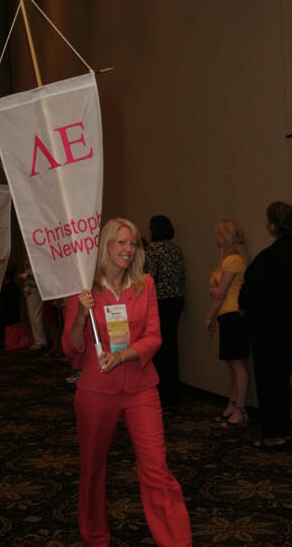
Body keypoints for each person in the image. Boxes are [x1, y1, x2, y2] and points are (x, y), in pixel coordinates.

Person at [62, 218, 192, 547]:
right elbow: (70, 346)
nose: (128, 249)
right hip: (95, 389)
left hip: (141, 386)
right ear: (105, 246)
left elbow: (154, 337)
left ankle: (176, 541)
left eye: (132, 243)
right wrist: (80, 313)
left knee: (156, 469)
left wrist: (123, 355)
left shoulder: (144, 284)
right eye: (121, 242)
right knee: (92, 470)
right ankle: (95, 537)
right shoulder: (83, 288)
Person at [239, 202, 292, 449]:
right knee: (282, 379)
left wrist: (246, 306)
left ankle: (273, 435)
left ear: (272, 225)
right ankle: (283, 430)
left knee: (269, 381)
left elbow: (249, 289)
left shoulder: (269, 256)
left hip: (268, 329)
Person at [206, 220, 250, 427]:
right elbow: (220, 291)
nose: (215, 237)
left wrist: (209, 316)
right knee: (232, 364)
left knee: (237, 365)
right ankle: (233, 404)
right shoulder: (227, 260)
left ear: (225, 236)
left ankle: (241, 409)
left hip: (233, 315)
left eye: (218, 234)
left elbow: (221, 293)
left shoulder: (232, 259)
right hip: (228, 315)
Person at [144, 215, 185, 400]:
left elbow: (149, 278)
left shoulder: (153, 249)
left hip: (160, 300)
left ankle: (160, 388)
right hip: (176, 299)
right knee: (171, 342)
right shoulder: (175, 248)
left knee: (158, 344)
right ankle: (173, 387)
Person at [19, 261, 47, 350]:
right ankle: (39, 340)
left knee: (35, 317)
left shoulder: (36, 256)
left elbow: (38, 272)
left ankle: (40, 341)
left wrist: (27, 274)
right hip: (31, 289)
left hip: (34, 289)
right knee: (34, 317)